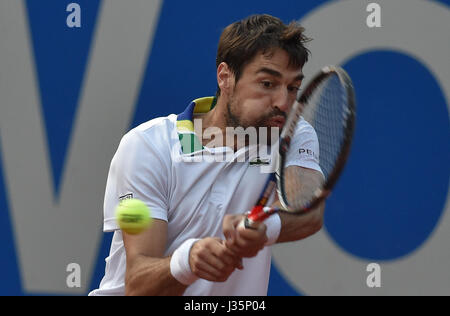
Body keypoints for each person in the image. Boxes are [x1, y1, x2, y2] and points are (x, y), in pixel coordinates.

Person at [89, 14, 324, 296]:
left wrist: (264, 227)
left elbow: (308, 215)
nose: (283, 102)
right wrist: (187, 261)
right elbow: (138, 285)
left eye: (293, 88)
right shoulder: (148, 145)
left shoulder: (293, 133)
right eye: (267, 84)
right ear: (225, 77)